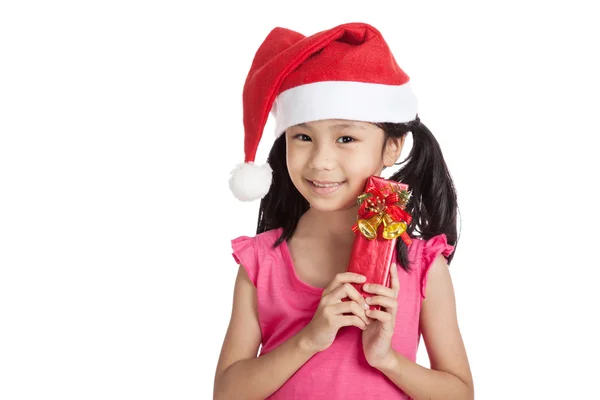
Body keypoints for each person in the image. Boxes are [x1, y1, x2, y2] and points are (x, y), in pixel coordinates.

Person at [213, 22, 473, 400]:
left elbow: (460, 393)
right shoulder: (261, 262)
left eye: (346, 138)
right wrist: (310, 339)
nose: (321, 161)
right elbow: (227, 393)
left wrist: (386, 359)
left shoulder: (421, 265)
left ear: (392, 147)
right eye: (302, 137)